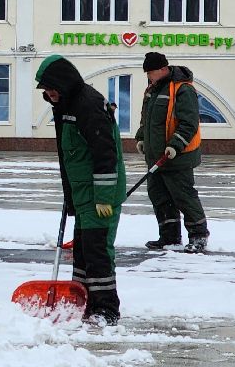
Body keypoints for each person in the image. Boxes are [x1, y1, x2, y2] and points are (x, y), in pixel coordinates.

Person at [35, 54, 127, 325]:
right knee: (84, 252)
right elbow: (70, 158)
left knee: (98, 252)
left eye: (51, 87)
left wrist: (104, 196)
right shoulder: (65, 104)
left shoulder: (87, 105)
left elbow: (105, 152)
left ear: (63, 83)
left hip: (99, 194)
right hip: (83, 193)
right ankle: (84, 303)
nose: (48, 93)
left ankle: (107, 310)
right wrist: (70, 197)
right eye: (45, 89)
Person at [135, 51, 210, 253]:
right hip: (155, 158)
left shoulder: (182, 89)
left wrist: (175, 145)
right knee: (160, 197)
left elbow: (189, 122)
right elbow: (148, 119)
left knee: (183, 196)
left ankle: (198, 236)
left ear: (162, 69)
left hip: (178, 157)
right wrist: (141, 137)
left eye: (151, 72)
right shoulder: (152, 89)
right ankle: (169, 237)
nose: (148, 76)